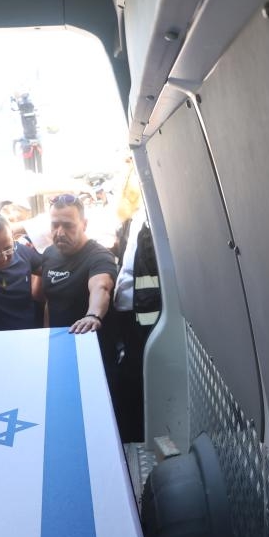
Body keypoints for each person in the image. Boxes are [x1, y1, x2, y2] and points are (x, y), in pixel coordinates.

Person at [103, 173, 162, 441]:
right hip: (131, 314)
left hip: (143, 319)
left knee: (138, 382)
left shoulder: (154, 217)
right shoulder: (138, 217)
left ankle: (136, 436)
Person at [40, 194, 117, 334]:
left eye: (68, 225)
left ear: (84, 224)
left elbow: (101, 287)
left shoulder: (99, 256)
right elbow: (49, 302)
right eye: (55, 225)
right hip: (58, 341)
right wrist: (47, 333)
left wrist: (93, 315)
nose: (60, 232)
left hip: (89, 342)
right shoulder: (48, 254)